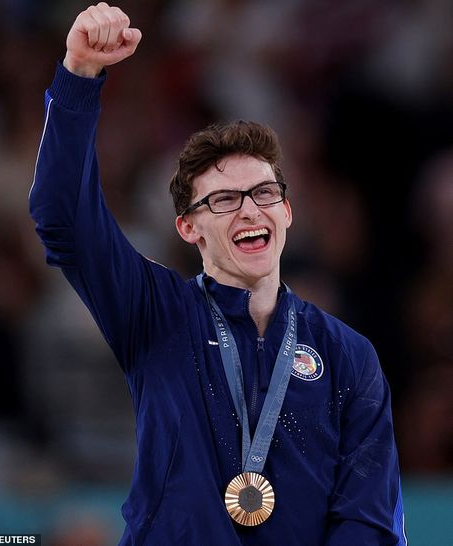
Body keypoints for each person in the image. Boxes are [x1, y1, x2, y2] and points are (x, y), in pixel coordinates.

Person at [29, 3, 407, 545]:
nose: (250, 210)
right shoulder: (154, 313)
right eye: (226, 200)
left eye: (264, 194)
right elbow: (61, 215)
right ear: (189, 228)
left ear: (287, 213)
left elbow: (368, 520)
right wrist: (78, 74)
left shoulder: (348, 355)